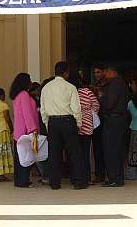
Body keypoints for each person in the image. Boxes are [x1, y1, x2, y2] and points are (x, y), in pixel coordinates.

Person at [41, 61, 87, 190]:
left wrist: (47, 124)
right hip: (68, 121)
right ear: (66, 73)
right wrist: (78, 123)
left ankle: (54, 183)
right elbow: (76, 109)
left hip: (53, 122)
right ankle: (78, 182)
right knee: (74, 152)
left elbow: (43, 109)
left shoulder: (46, 88)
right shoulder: (70, 87)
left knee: (54, 153)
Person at [100, 65, 128, 187]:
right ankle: (117, 177)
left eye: (105, 72)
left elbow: (110, 103)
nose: (104, 75)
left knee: (111, 149)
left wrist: (101, 99)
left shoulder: (115, 84)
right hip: (119, 120)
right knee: (117, 149)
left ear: (110, 71)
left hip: (113, 120)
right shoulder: (121, 83)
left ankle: (114, 178)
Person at [10, 73, 39, 188]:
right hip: (26, 132)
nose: (31, 82)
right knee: (26, 157)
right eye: (29, 80)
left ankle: (19, 180)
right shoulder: (25, 95)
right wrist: (33, 129)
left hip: (19, 131)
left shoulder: (17, 96)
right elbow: (27, 114)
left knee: (19, 157)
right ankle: (23, 180)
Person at [77, 77, 100, 185]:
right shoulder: (87, 92)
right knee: (85, 153)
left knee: (75, 153)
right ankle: (86, 178)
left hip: (73, 125)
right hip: (86, 125)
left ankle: (76, 176)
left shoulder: (70, 91)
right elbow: (96, 105)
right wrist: (88, 113)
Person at [91, 64, 107, 184]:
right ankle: (99, 174)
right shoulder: (95, 86)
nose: (97, 74)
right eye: (95, 72)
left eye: (98, 72)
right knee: (97, 148)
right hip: (95, 120)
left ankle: (104, 173)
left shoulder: (107, 86)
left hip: (105, 119)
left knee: (103, 148)